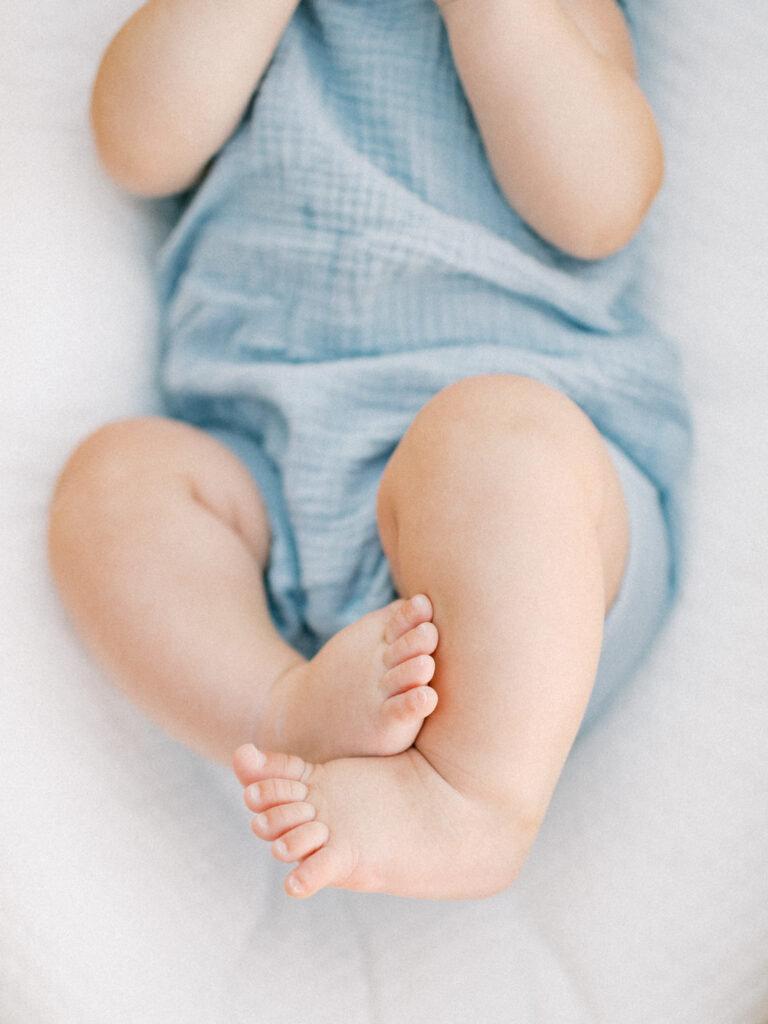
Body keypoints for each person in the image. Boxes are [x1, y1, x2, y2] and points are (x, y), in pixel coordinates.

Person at [48, 0, 690, 900]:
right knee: (108, 490)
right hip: (268, 493)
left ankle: (473, 800)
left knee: (492, 437)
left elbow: (604, 204)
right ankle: (285, 708)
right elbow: (135, 142)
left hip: (528, 549)